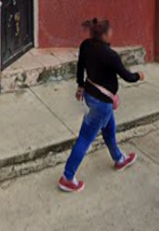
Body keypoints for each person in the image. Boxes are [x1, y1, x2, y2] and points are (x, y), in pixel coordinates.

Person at [58, 17, 145, 193]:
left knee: (109, 129)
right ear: (104, 35)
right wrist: (139, 76)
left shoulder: (86, 45)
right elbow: (127, 76)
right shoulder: (110, 55)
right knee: (85, 138)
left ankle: (119, 159)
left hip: (90, 95)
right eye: (110, 31)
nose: (112, 33)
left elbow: (80, 67)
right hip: (102, 103)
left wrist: (80, 85)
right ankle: (67, 177)